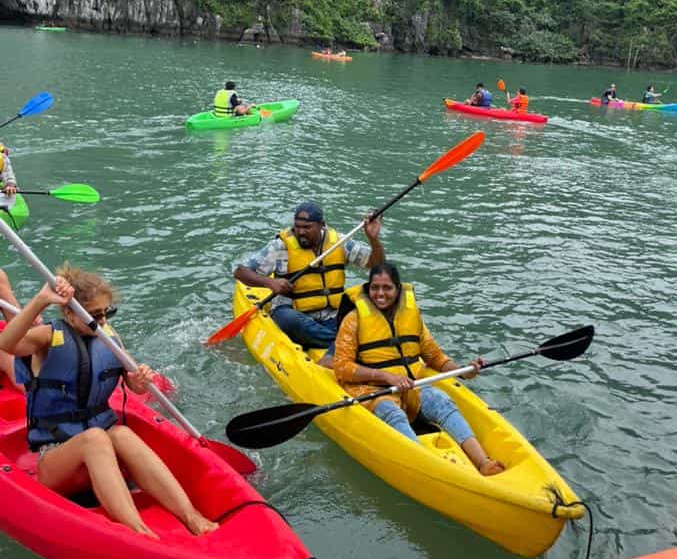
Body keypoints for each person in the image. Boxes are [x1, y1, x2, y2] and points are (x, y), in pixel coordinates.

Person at [0, 267, 218, 540]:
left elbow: (135, 385)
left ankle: (191, 516)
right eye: (94, 315)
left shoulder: (108, 338)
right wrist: (42, 300)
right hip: (56, 462)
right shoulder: (48, 336)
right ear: (70, 313)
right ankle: (137, 530)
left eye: (107, 313)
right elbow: (7, 344)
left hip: (100, 454)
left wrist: (141, 379)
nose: (102, 321)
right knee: (95, 438)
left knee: (121, 433)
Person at [334, 263, 505, 476]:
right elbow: (342, 367)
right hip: (373, 391)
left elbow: (435, 357)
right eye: (375, 288)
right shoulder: (353, 320)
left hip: (410, 386)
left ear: (398, 289)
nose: (380, 294)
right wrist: (386, 377)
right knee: (393, 414)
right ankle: (427, 469)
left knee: (442, 402)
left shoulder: (412, 316)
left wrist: (464, 371)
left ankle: (483, 462)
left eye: (387, 288)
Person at [233, 201, 384, 363]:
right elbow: (240, 272)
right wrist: (269, 283)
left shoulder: (340, 243)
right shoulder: (280, 247)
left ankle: (340, 343)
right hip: (294, 313)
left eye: (307, 227)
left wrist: (373, 239)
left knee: (364, 313)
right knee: (289, 319)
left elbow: (377, 264)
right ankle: (346, 342)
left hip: (332, 315)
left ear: (321, 225)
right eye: (297, 227)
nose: (301, 232)